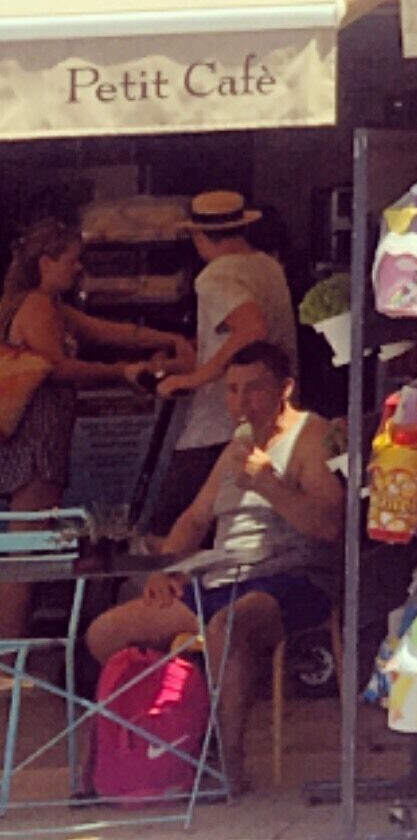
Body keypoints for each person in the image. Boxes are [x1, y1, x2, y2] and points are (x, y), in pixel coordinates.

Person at [88, 341, 342, 796]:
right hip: (219, 575)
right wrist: (164, 568)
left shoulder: (312, 439)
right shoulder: (235, 446)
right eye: (232, 391)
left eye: (253, 390)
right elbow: (194, 519)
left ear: (285, 389)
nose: (240, 403)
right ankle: (163, 742)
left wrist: (269, 483)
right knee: (105, 632)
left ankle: (228, 767)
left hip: (291, 577)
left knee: (230, 626)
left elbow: (327, 527)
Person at [0, 219, 180, 647]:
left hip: (39, 437)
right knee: (27, 550)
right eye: (71, 262)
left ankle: (11, 647)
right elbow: (59, 367)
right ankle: (9, 652)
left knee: (28, 544)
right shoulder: (39, 307)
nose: (77, 270)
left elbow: (106, 330)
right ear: (46, 262)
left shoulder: (40, 304)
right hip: (37, 439)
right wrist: (122, 372)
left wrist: (167, 338)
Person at [149, 192, 298, 529]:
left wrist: (194, 378)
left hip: (220, 422)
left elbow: (251, 327)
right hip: (272, 413)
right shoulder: (268, 266)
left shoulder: (215, 275)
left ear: (200, 237)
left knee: (173, 526)